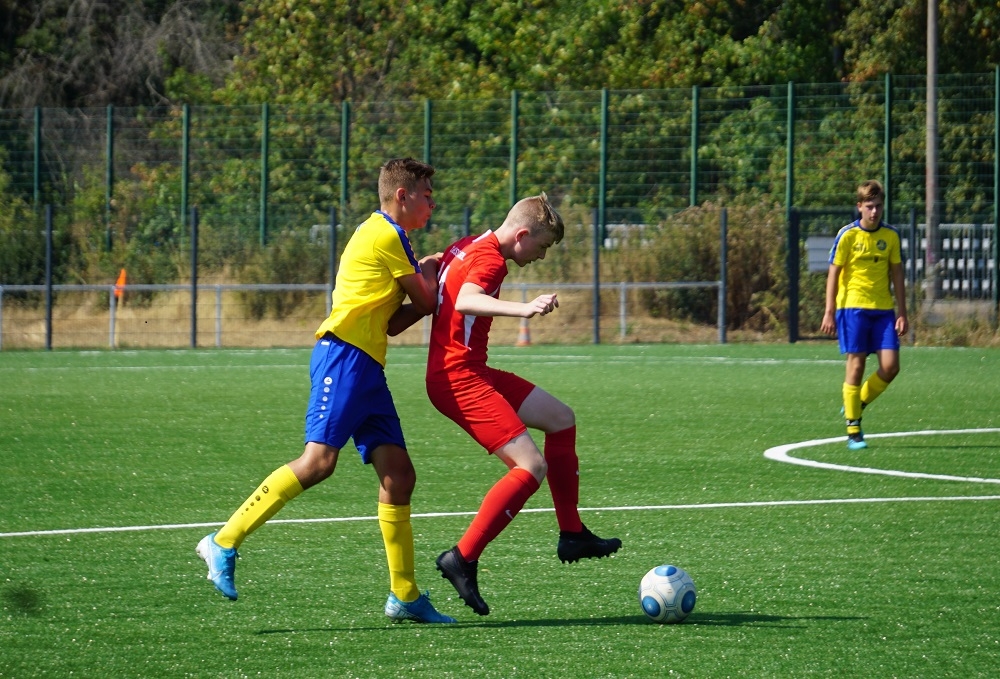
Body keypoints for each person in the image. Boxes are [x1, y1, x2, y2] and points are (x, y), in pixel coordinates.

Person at [196, 157, 455, 624]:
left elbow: (397, 322)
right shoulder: (386, 235)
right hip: (345, 358)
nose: (432, 202)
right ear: (402, 195)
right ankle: (223, 542)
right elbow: (426, 301)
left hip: (368, 365)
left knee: (399, 476)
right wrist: (435, 274)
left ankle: (405, 595)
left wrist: (427, 275)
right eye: (426, 194)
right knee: (318, 462)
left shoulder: (393, 239)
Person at [426, 193, 622, 616]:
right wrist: (525, 309)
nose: (542, 256)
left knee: (560, 419)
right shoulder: (492, 259)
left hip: (471, 370)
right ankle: (462, 557)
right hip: (457, 378)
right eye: (543, 246)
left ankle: (572, 533)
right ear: (521, 235)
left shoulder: (469, 242)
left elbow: (441, 263)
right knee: (531, 467)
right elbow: (466, 299)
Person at [821, 179, 908, 450]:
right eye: (869, 206)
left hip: (883, 310)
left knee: (891, 366)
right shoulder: (847, 235)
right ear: (859, 207)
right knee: (856, 366)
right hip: (852, 308)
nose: (874, 212)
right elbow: (833, 274)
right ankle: (853, 429)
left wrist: (902, 312)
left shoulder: (891, 236)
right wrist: (829, 311)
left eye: (878, 206)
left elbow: (897, 275)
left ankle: (855, 403)